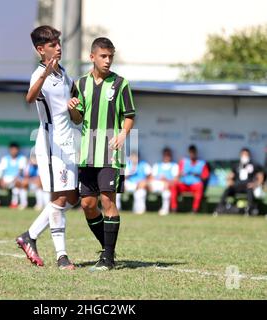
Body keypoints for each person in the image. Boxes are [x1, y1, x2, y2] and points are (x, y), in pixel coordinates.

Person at [68, 37, 136, 271]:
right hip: (87, 154)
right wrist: (73, 108)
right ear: (92, 57)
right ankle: (109, 249)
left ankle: (107, 259)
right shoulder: (80, 83)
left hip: (110, 153)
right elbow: (77, 119)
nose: (107, 61)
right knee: (87, 205)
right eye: (103, 56)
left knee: (108, 201)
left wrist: (123, 134)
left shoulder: (121, 84)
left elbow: (129, 115)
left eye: (110, 57)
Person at [16, 26, 81, 270]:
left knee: (72, 196)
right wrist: (45, 74)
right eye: (53, 44)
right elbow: (29, 98)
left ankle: (29, 236)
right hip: (51, 145)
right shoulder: (39, 73)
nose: (59, 47)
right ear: (40, 50)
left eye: (58, 43)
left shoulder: (64, 74)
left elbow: (75, 112)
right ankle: (62, 256)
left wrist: (76, 105)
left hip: (68, 143)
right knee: (61, 197)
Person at [215, 148, 265, 215]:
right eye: (243, 154)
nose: (244, 156)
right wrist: (229, 181)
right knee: (228, 190)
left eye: (246, 154)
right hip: (237, 186)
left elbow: (260, 177)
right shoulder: (237, 165)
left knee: (250, 190)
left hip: (248, 186)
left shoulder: (254, 165)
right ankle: (220, 207)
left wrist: (255, 184)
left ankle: (250, 209)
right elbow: (230, 176)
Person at [170, 145, 210, 213]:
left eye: (193, 152)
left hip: (195, 184)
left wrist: (198, 175)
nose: (192, 154)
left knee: (199, 186)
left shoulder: (202, 163)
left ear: (196, 153)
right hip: (184, 184)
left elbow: (205, 176)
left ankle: (195, 209)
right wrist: (180, 174)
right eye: (191, 152)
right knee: (174, 185)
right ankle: (174, 208)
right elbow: (178, 174)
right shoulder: (184, 161)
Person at [0, 142, 27, 209]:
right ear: (9, 150)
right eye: (12, 149)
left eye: (15, 150)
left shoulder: (22, 158)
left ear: (18, 150)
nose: (13, 151)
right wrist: (2, 180)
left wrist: (12, 181)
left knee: (17, 183)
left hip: (16, 179)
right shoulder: (5, 158)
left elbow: (20, 173)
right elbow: (1, 171)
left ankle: (14, 203)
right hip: (6, 178)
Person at [148, 147, 179, 216]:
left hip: (168, 185)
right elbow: (151, 178)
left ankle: (165, 209)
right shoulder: (157, 165)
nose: (166, 157)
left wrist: (166, 181)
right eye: (165, 155)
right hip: (157, 184)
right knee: (141, 190)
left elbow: (175, 179)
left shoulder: (174, 165)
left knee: (166, 193)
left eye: (168, 155)